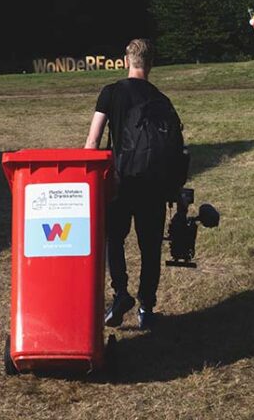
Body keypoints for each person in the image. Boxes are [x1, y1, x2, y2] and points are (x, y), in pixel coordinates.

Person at [85, 38, 181, 329]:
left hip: (120, 181)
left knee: (114, 238)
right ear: (151, 64)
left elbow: (93, 141)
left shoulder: (111, 92)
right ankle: (147, 308)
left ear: (127, 60)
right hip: (153, 184)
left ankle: (120, 294)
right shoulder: (161, 99)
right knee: (150, 247)